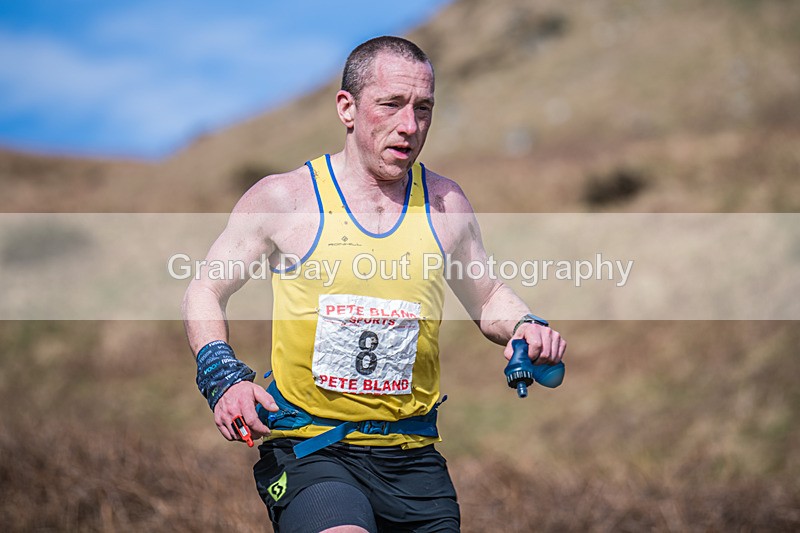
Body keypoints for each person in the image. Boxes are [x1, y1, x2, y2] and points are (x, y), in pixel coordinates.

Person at [183, 36, 566, 533]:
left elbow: (489, 296)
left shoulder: (446, 204)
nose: (410, 126)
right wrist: (222, 376)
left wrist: (526, 326)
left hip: (411, 457)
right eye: (391, 105)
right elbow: (205, 290)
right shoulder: (287, 199)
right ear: (347, 107)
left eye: (423, 109)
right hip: (310, 446)